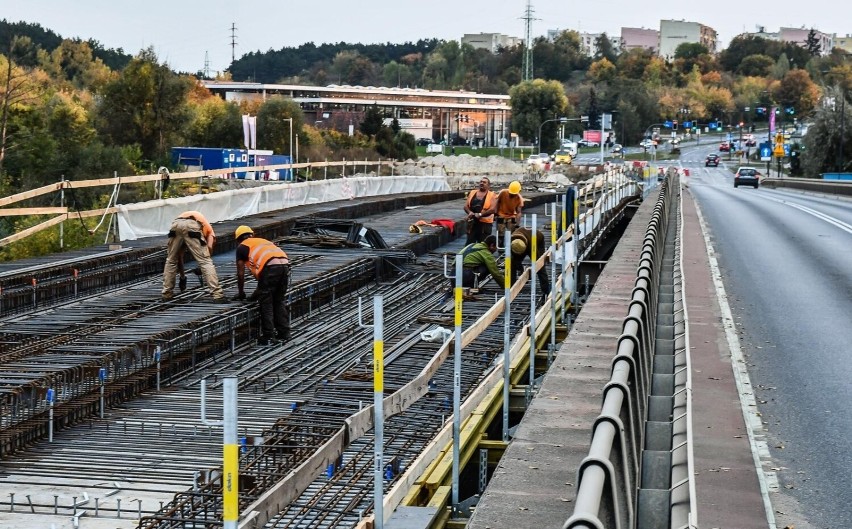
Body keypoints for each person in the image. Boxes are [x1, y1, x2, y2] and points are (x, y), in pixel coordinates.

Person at [233, 226, 291, 345]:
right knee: (279, 300)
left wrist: (241, 293)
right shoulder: (263, 242)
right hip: (285, 265)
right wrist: (253, 297)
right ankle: (284, 333)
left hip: (270, 267)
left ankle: (268, 335)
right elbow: (262, 285)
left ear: (238, 239)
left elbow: (240, 273)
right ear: (251, 235)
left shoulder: (242, 247)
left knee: (266, 302)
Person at [162, 210, 226, 302]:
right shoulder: (209, 230)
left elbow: (179, 257)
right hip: (192, 224)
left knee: (171, 260)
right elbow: (210, 246)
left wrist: (183, 277)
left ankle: (166, 294)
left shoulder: (193, 220)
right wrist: (203, 265)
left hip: (176, 224)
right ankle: (218, 295)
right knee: (206, 261)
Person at [509, 227, 551, 301]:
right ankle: (512, 288)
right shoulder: (511, 242)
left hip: (538, 241)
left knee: (540, 267)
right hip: (522, 243)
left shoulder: (531, 245)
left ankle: (546, 290)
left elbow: (538, 264)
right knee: (513, 264)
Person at [463, 177, 497, 244]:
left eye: (484, 182)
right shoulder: (473, 192)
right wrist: (470, 212)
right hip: (472, 223)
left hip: (485, 225)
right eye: (481, 182)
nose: (482, 183)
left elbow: (493, 209)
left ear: (488, 185)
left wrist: (480, 214)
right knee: (469, 243)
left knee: (483, 244)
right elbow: (465, 206)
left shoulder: (492, 195)